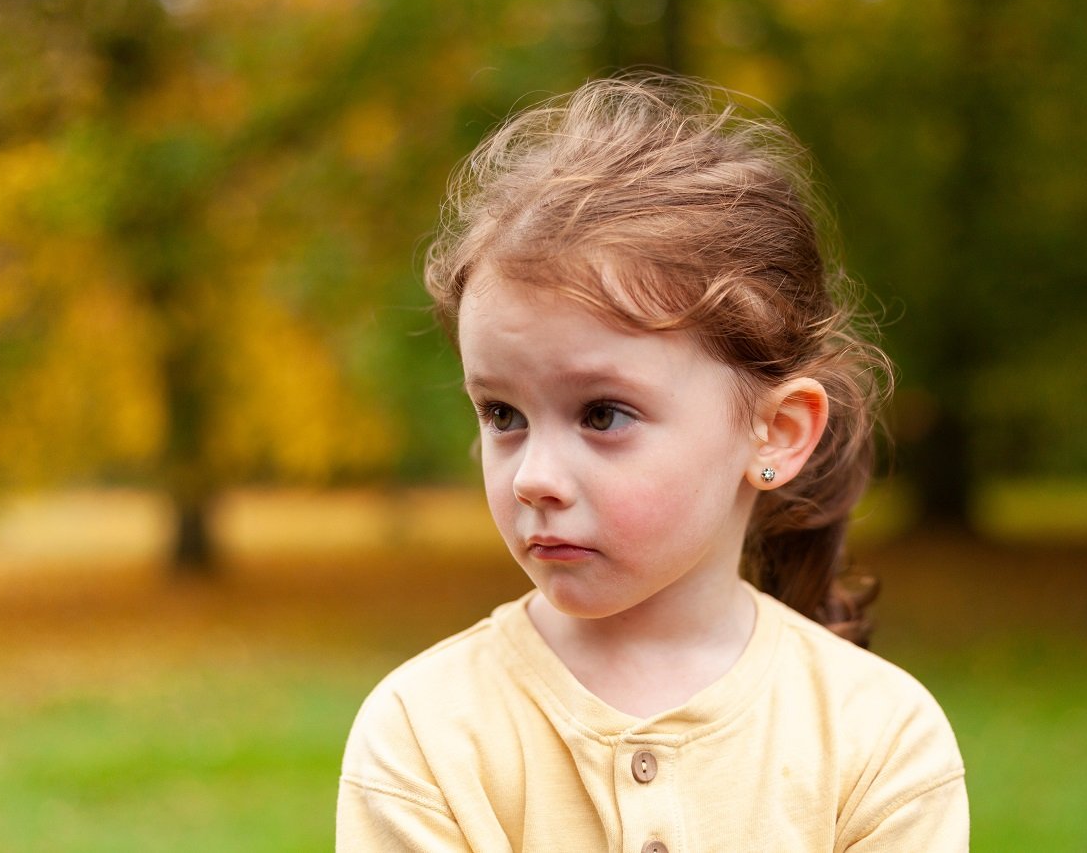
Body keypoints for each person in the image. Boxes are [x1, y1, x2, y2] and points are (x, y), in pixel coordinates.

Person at [337, 74, 968, 852]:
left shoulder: (880, 740)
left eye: (602, 414)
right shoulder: (426, 735)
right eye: (503, 415)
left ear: (775, 432)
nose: (533, 475)